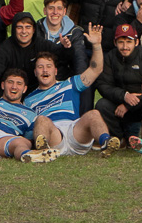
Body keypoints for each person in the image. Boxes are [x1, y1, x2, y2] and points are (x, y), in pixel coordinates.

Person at [22, 24, 111, 159]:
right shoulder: (28, 99)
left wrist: (97, 45)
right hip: (53, 136)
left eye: (48, 67)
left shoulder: (69, 84)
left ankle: (106, 143)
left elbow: (95, 69)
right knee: (41, 120)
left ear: (55, 71)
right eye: (40, 67)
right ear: (35, 72)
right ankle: (43, 151)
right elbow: (28, 129)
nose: (45, 70)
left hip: (75, 131)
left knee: (93, 114)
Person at [94, 24, 142, 143]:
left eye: (129, 42)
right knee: (102, 105)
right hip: (120, 104)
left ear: (136, 42)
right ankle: (119, 139)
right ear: (114, 42)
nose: (124, 46)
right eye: (121, 42)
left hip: (141, 104)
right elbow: (103, 84)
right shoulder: (110, 57)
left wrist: (130, 104)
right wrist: (124, 96)